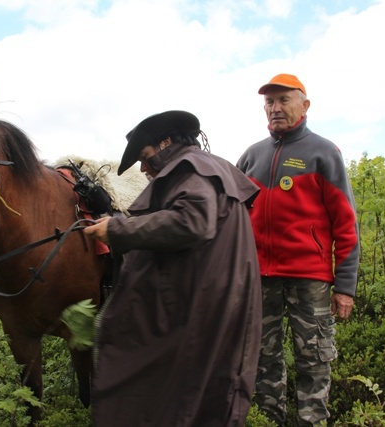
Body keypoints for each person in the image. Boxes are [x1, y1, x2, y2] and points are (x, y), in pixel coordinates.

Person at [84, 110, 262, 427]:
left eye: (145, 157)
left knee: (182, 393)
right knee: (201, 393)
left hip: (202, 310)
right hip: (213, 303)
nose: (143, 168)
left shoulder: (191, 169)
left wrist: (118, 231)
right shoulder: (210, 168)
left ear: (166, 142)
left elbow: (191, 222)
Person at [236, 74, 360, 426]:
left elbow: (346, 224)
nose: (275, 108)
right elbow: (232, 218)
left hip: (310, 278)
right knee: (262, 358)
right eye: (269, 103)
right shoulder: (251, 156)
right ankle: (269, 421)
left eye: (283, 100)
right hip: (260, 278)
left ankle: (312, 423)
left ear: (304, 105)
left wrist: (345, 287)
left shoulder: (324, 152)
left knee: (314, 360)